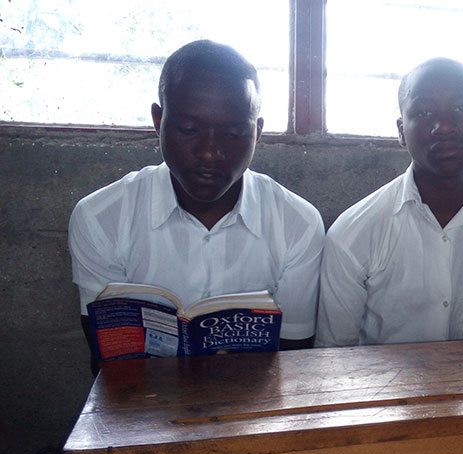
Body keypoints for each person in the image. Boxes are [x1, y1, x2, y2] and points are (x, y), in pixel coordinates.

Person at [69, 40, 324, 372]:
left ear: (258, 132)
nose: (209, 152)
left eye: (234, 133)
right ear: (158, 120)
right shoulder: (101, 218)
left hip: (253, 400)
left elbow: (294, 357)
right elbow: (108, 363)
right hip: (144, 399)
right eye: (189, 130)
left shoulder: (298, 223)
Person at [315, 57, 463, 347]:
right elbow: (333, 356)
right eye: (424, 112)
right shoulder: (354, 232)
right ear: (401, 131)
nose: (444, 126)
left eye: (461, 108)